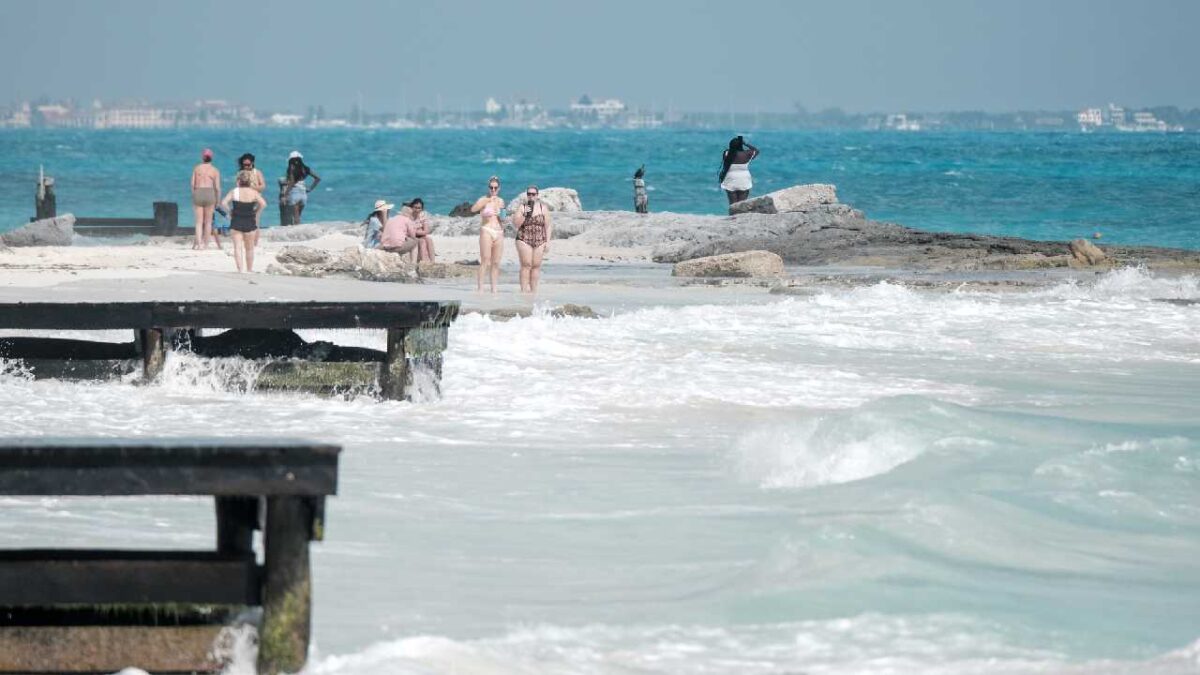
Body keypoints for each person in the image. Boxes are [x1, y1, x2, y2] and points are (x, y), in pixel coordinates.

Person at [218, 170, 267, 273]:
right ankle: (249, 269)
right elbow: (263, 204)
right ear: (250, 182)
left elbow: (223, 203)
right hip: (250, 220)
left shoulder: (234, 191)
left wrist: (230, 212)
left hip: (236, 221)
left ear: (238, 181)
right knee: (249, 248)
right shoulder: (254, 192)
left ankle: (240, 269)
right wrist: (256, 212)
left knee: (238, 247)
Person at [512, 185, 552, 293]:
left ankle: (533, 291)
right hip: (524, 238)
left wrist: (548, 242)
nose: (531, 196)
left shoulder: (543, 208)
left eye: (533, 194)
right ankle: (524, 291)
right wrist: (525, 215)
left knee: (536, 266)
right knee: (526, 265)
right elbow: (516, 224)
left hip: (539, 239)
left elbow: (548, 226)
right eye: (529, 194)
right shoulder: (522, 207)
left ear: (537, 195)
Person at [470, 176, 505, 292]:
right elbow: (473, 209)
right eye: (491, 187)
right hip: (487, 230)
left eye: (495, 188)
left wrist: (502, 215)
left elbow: (503, 219)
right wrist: (485, 202)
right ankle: (480, 288)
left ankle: (494, 289)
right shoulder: (483, 199)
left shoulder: (501, 201)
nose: (493, 190)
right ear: (488, 188)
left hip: (499, 231)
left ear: (499, 188)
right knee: (485, 259)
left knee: (496, 262)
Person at [190, 148, 221, 250]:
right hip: (209, 193)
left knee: (198, 222)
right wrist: (218, 201)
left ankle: (198, 244)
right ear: (211, 158)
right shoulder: (215, 170)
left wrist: (194, 195)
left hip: (198, 192)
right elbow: (217, 188)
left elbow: (192, 184)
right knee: (208, 222)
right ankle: (206, 245)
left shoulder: (197, 168)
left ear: (203, 157)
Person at [283, 151, 320, 225]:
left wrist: (285, 194)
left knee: (295, 217)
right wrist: (310, 188)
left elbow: (292, 182)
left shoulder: (291, 169)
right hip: (303, 194)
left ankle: (296, 233)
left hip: (294, 193)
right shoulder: (305, 169)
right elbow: (317, 178)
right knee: (298, 216)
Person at [719, 135, 759, 205]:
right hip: (744, 179)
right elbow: (756, 150)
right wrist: (745, 143)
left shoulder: (726, 153)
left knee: (732, 204)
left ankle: (733, 216)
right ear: (741, 145)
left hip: (730, 178)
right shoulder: (747, 154)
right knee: (742, 204)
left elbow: (725, 164)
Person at [404, 198, 436, 262]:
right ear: (412, 207)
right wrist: (419, 231)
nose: (417, 210)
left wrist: (416, 231)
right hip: (411, 237)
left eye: (419, 208)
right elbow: (408, 231)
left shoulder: (422, 216)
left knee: (429, 240)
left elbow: (426, 231)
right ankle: (423, 262)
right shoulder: (408, 216)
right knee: (422, 241)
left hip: (420, 235)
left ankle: (433, 262)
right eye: (415, 207)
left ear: (422, 209)